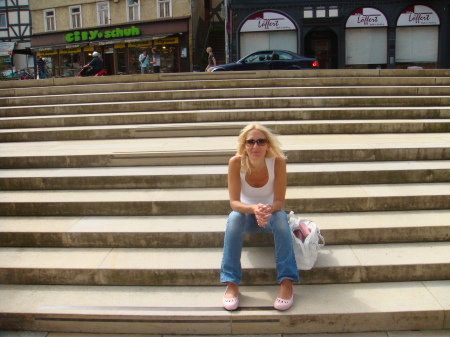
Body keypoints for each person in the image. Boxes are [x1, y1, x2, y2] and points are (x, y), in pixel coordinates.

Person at [221, 123, 299, 311]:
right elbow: (234, 202)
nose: (255, 146)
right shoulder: (235, 163)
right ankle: (231, 283)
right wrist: (254, 209)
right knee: (233, 218)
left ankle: (287, 282)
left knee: (280, 218)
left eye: (260, 141)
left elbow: (280, 202)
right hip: (246, 216)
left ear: (267, 145)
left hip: (270, 215)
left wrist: (267, 209)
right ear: (244, 145)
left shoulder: (278, 163)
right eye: (251, 142)